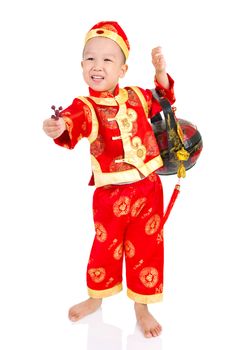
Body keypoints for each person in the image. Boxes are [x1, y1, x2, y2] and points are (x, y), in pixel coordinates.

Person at [43, 21, 175, 338]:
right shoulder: (85, 106)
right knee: (105, 247)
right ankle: (95, 299)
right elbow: (73, 120)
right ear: (81, 65)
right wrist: (59, 128)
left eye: (107, 60)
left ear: (123, 68)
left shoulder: (137, 97)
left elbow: (164, 100)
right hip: (110, 196)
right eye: (90, 59)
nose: (97, 66)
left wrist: (160, 73)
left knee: (147, 247)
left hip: (148, 190)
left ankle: (142, 306)